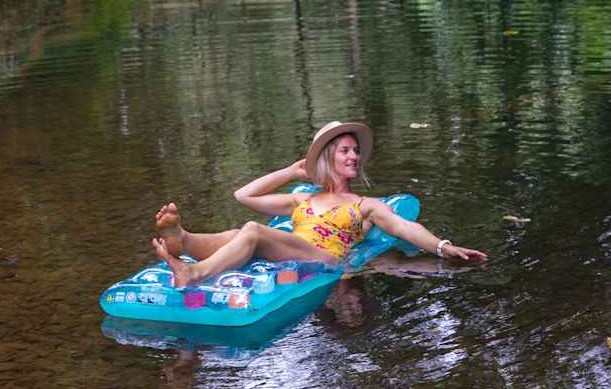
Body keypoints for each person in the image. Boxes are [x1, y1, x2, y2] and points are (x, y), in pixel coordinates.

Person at [151, 120, 487, 288]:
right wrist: (290, 170)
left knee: (253, 231)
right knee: (241, 231)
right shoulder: (302, 198)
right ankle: (186, 241)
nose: (354, 156)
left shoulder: (363, 206)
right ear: (327, 159)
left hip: (326, 260)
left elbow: (405, 228)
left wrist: (444, 247)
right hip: (292, 252)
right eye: (345, 151)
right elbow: (244, 196)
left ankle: (194, 272)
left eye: (356, 151)